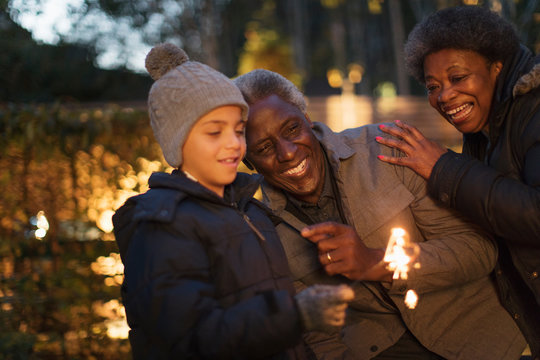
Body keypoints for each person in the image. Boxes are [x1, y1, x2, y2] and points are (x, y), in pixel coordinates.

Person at [233, 68, 527, 360]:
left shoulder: (388, 148)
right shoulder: (261, 226)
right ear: (248, 159)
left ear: (308, 119)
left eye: (292, 130)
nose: (286, 152)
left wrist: (377, 262)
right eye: (264, 147)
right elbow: (318, 336)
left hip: (480, 339)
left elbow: (478, 249)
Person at [111, 43, 354, 359]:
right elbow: (184, 341)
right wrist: (294, 315)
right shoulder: (161, 224)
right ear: (177, 142)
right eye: (214, 132)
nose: (233, 144)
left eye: (238, 131)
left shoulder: (250, 210)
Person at [375, 6, 540, 358]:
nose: (444, 96)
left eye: (458, 77)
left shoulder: (533, 110)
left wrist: (444, 169)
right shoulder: (486, 129)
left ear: (496, 66)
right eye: (433, 86)